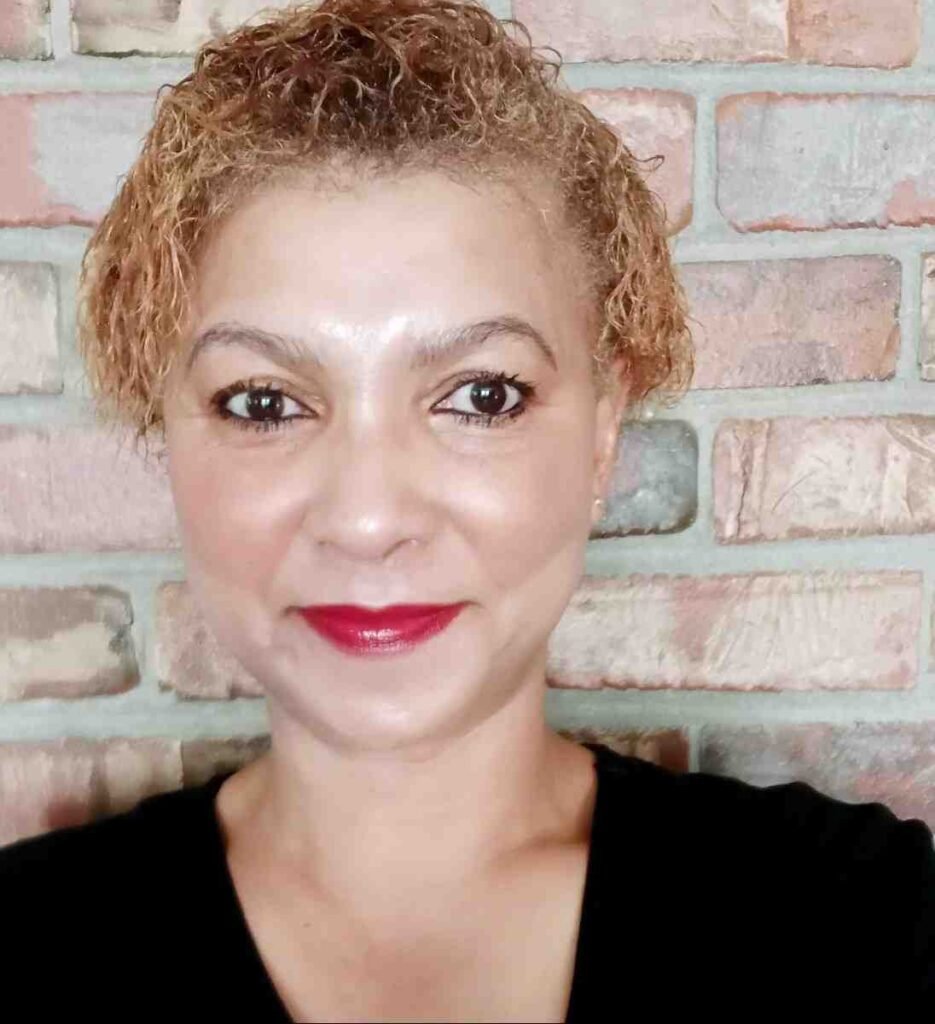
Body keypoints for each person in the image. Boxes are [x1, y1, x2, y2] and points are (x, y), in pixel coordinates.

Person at [1, 1, 933, 1019]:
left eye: (481, 396)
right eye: (263, 403)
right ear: (166, 432)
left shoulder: (864, 923)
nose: (367, 519)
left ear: (602, 432)